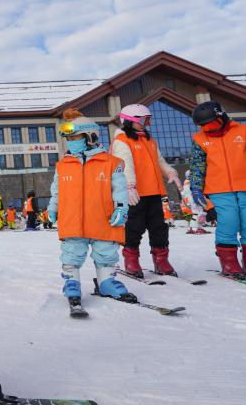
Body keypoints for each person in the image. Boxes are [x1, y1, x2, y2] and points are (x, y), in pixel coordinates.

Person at [47, 109, 134, 305]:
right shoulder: (63, 165)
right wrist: (53, 207)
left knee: (106, 251)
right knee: (71, 251)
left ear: (90, 137)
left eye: (75, 137)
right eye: (68, 139)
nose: (71, 142)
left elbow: (119, 188)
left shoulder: (111, 163)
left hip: (102, 218)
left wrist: (121, 208)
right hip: (73, 220)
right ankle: (72, 282)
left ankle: (107, 281)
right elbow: (57, 190)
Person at [188, 101, 246, 279]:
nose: (209, 129)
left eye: (212, 124)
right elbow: (198, 166)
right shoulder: (200, 139)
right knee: (228, 221)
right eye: (204, 126)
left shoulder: (245, 131)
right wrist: (196, 188)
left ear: (222, 117)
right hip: (218, 189)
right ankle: (229, 261)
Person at [110, 104, 182, 277]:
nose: (144, 123)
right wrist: (129, 186)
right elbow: (124, 164)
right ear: (128, 121)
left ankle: (161, 259)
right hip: (135, 194)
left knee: (158, 227)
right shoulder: (122, 141)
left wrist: (171, 172)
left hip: (154, 191)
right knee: (134, 227)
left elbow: (160, 161)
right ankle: (131, 259)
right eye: (141, 120)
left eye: (147, 120)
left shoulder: (149, 140)